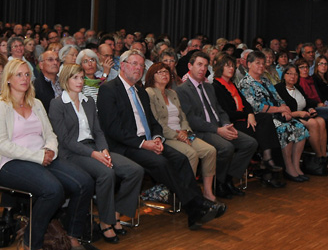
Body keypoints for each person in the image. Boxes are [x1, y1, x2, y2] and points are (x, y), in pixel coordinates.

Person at [96, 49, 225, 229]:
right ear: (123, 66)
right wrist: (143, 143)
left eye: (141, 65)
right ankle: (196, 206)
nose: (138, 68)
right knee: (161, 163)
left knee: (181, 158)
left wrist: (156, 138)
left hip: (149, 142)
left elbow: (153, 122)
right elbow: (112, 128)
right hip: (126, 145)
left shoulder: (140, 92)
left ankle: (196, 209)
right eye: (134, 64)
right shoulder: (109, 89)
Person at [0, 60, 93, 250]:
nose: (24, 79)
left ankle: (71, 234)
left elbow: (50, 134)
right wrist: (38, 156)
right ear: (8, 79)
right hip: (10, 162)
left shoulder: (36, 103)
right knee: (53, 190)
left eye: (27, 75)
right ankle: (31, 242)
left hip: (42, 156)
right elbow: (1, 145)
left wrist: (50, 150)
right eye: (19, 75)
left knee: (84, 182)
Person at [48, 64, 144, 244]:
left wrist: (104, 150)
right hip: (71, 153)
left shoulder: (88, 101)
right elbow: (66, 140)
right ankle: (105, 222)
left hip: (94, 147)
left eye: (81, 78)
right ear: (65, 80)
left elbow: (98, 131)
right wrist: (95, 154)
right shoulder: (57, 104)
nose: (80, 81)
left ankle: (114, 214)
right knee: (106, 173)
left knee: (134, 170)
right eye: (75, 78)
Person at [176, 52, 258, 198]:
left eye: (206, 66)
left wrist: (227, 124)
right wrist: (218, 130)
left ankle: (226, 178)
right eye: (199, 64)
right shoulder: (182, 90)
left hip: (219, 126)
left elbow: (220, 110)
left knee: (250, 143)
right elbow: (191, 119)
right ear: (190, 66)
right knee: (227, 147)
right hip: (201, 131)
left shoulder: (208, 87)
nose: (203, 69)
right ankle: (219, 184)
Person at [144, 62, 218, 202]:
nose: (164, 75)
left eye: (166, 72)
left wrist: (184, 131)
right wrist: (177, 135)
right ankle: (188, 195)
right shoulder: (150, 93)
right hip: (167, 136)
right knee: (191, 154)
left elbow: (182, 116)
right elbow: (156, 122)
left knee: (210, 151)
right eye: (160, 72)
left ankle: (207, 192)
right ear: (152, 76)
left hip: (183, 132)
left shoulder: (172, 93)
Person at [211, 53, 285, 188]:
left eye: (233, 66)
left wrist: (250, 114)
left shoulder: (231, 85)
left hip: (242, 119)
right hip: (230, 123)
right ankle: (265, 163)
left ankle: (266, 160)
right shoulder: (216, 86)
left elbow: (247, 104)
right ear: (220, 68)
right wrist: (246, 115)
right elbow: (225, 112)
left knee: (266, 119)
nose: (231, 69)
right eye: (228, 66)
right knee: (264, 129)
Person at [238, 51, 310, 183]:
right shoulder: (245, 83)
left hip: (277, 114)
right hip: (263, 119)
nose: (261, 66)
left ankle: (296, 166)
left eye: (262, 63)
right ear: (249, 64)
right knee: (286, 129)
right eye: (257, 63)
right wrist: (279, 109)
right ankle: (288, 168)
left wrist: (285, 109)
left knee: (300, 128)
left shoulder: (265, 80)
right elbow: (255, 107)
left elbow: (278, 97)